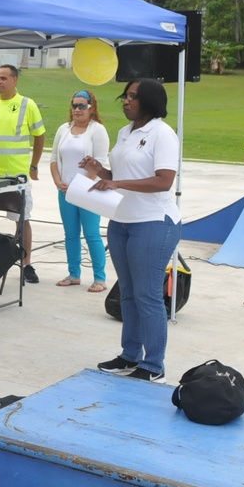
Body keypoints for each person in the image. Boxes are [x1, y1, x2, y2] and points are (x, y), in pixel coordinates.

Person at [83, 78, 181, 383]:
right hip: (121, 220)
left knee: (147, 294)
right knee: (127, 292)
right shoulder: (126, 132)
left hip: (153, 222)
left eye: (133, 97)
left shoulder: (163, 134)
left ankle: (154, 365)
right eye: (125, 96)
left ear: (149, 101)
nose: (126, 101)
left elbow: (163, 180)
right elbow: (123, 175)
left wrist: (117, 182)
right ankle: (129, 355)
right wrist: (101, 172)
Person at [0, 64, 45, 283]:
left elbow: (39, 135)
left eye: (4, 78)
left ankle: (26, 264)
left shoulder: (28, 105)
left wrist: (34, 165)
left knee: (22, 219)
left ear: (15, 80)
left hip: (16, 174)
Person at [49, 90, 110, 292]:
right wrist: (58, 181)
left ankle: (100, 278)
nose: (77, 109)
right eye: (74, 105)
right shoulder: (63, 129)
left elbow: (99, 163)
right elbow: (54, 159)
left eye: (82, 106)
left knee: (92, 233)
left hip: (88, 190)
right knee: (71, 234)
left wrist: (80, 185)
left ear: (91, 108)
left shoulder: (97, 130)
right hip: (65, 191)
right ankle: (74, 274)